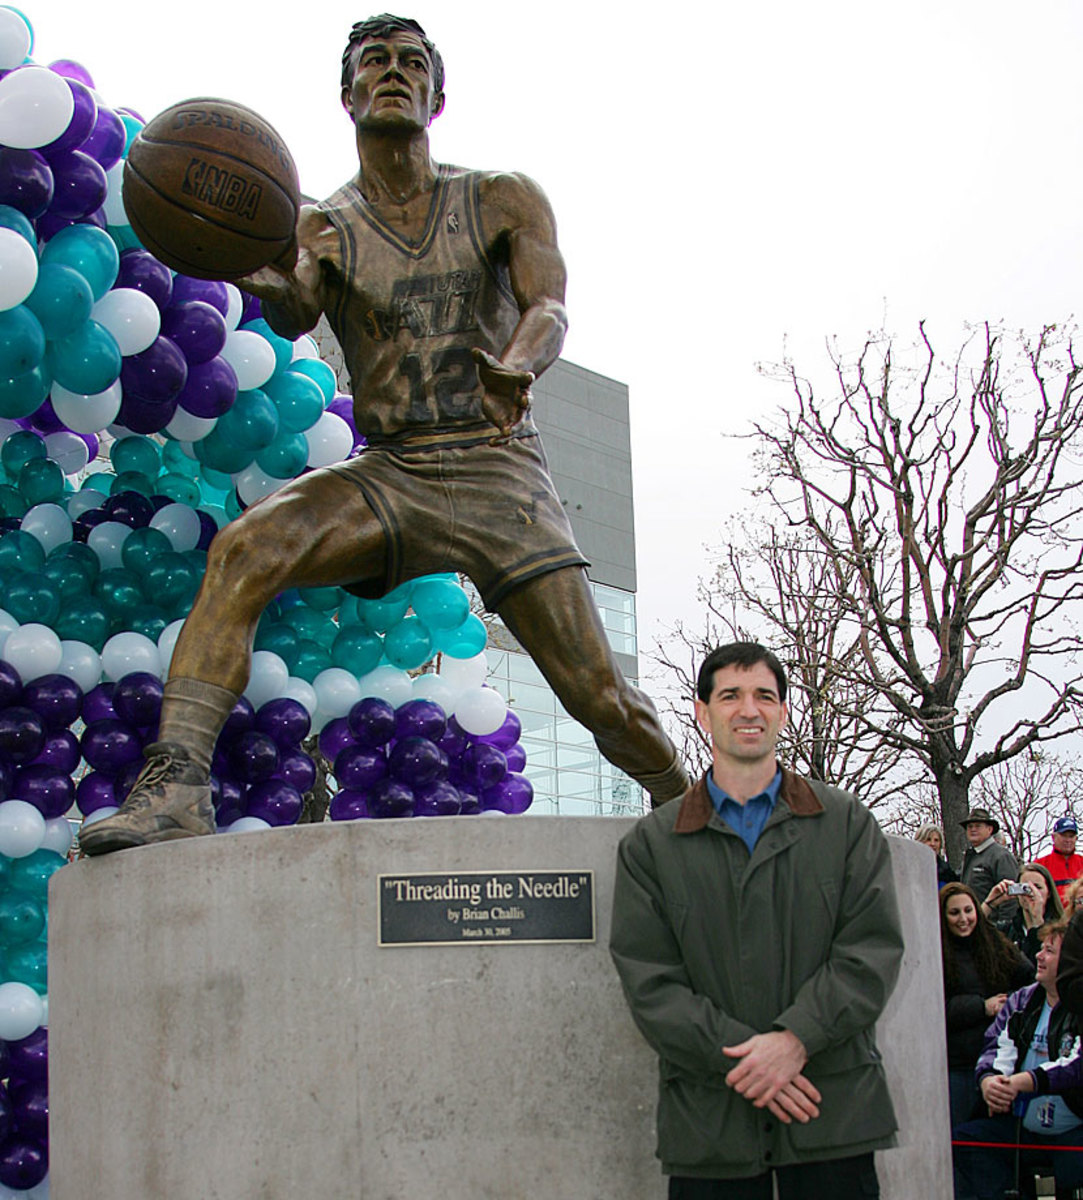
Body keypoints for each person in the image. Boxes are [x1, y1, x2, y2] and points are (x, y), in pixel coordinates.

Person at [79, 15, 688, 855]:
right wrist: (255, 267)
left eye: (411, 63)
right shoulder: (321, 227)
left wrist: (516, 365)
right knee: (245, 551)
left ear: (439, 96)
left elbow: (548, 305)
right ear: (347, 93)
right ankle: (178, 785)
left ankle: (688, 805)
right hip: (393, 473)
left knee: (599, 698)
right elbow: (293, 305)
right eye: (375, 62)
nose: (393, 73)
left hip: (495, 468)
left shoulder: (499, 197)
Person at [609, 642, 903, 1198]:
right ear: (702, 712)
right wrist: (750, 1060)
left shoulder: (845, 824)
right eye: (731, 696)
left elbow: (871, 954)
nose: (750, 710)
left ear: (783, 712)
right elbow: (651, 984)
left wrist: (795, 1041)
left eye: (765, 696)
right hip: (711, 1127)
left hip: (829, 1113)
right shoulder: (652, 845)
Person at [953, 921, 1083, 1200]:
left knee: (1074, 1167)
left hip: (1074, 1127)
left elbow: (1075, 1066)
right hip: (1023, 1126)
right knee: (965, 1140)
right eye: (1041, 948)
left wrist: (1023, 1082)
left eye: (1049, 951)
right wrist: (990, 1081)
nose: (1038, 955)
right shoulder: (1021, 1001)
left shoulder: (1078, 1005)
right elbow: (996, 1047)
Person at [940, 881, 1034, 1128]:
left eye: (968, 911)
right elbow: (934, 1010)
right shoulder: (936, 952)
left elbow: (1028, 976)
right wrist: (982, 1006)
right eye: (954, 912)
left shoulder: (992, 944)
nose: (963, 919)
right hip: (958, 1064)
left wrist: (1009, 1003)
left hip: (996, 1063)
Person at [982, 862, 1064, 964]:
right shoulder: (1007, 931)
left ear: (1049, 893)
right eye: (1025, 888)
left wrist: (1037, 920)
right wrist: (989, 903)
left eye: (1037, 887)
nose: (1031, 893)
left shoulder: (1061, 931)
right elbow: (972, 932)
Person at [960, 807, 1019, 907]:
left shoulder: (1001, 856)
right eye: (970, 826)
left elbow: (1011, 895)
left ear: (990, 829)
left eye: (978, 826)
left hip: (992, 920)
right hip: (973, 919)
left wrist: (1004, 921)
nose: (973, 829)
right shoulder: (970, 856)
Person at [1035, 816, 1083, 906]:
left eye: (1071, 836)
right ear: (1053, 837)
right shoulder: (1040, 865)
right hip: (1053, 918)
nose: (1068, 840)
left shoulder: (1081, 862)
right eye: (1063, 836)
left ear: (1076, 838)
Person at [916, 822, 957, 888]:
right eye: (928, 840)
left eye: (936, 840)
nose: (933, 844)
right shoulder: (911, 867)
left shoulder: (946, 871)